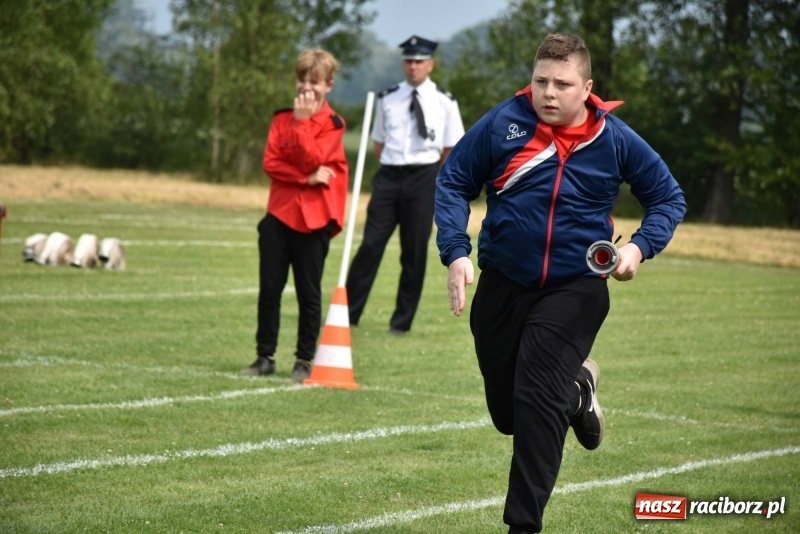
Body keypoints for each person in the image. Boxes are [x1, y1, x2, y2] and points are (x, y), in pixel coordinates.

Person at [435, 34, 686, 533]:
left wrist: (637, 248)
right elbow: (453, 180)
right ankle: (576, 392)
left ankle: (523, 526)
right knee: (508, 414)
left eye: (562, 84)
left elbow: (668, 198)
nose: (548, 93)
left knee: (536, 403)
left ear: (587, 87)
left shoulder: (613, 139)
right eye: (540, 81)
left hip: (576, 288)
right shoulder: (504, 124)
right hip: (503, 283)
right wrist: (456, 253)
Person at [346, 35, 465, 335]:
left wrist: (434, 180)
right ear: (403, 63)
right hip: (389, 177)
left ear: (430, 65)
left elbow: (451, 149)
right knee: (370, 245)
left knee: (413, 252)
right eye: (409, 61)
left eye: (419, 61)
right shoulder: (387, 98)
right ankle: (347, 314)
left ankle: (401, 322)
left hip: (424, 178)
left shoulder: (445, 102)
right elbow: (378, 143)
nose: (413, 67)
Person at [242, 49, 348, 382]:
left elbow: (316, 156)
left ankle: (304, 360)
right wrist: (305, 177)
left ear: (328, 85)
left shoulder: (333, 125)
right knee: (269, 289)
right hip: (279, 213)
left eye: (314, 81)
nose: (306, 87)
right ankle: (264, 356)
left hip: (315, 218)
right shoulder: (279, 119)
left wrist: (303, 125)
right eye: (302, 79)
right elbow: (271, 164)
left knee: (309, 292)